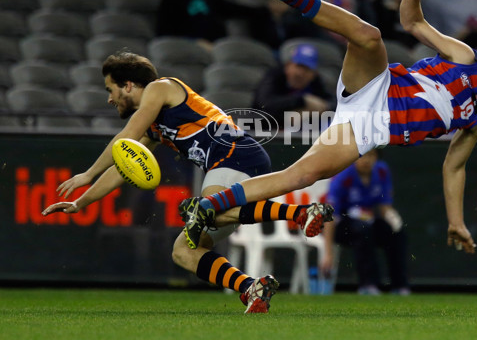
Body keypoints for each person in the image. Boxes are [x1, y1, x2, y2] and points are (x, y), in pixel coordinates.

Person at [180, 0, 477, 258]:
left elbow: (454, 167)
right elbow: (412, 23)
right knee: (368, 36)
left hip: (371, 131)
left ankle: (206, 206)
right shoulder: (465, 58)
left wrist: (456, 221)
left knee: (302, 176)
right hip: (377, 87)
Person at [41, 51, 333, 314]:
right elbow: (122, 168)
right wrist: (81, 202)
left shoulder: (161, 87)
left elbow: (126, 136)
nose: (109, 98)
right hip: (229, 165)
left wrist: (87, 174)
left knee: (209, 210)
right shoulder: (155, 127)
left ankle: (300, 214)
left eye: (111, 89)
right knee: (184, 250)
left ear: (128, 85)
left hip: (234, 154)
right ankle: (250, 287)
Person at [321, 150, 410, 295]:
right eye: (362, 156)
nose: (366, 160)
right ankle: (368, 285)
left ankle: (400, 286)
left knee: (396, 233)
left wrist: (393, 219)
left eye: (371, 156)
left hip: (368, 222)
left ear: (376, 157)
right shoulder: (343, 176)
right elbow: (330, 216)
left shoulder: (382, 171)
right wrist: (328, 253)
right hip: (343, 226)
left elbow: (384, 206)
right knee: (363, 231)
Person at [253, 43, 334, 126]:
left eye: (307, 69)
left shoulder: (315, 82)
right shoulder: (274, 76)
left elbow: (333, 102)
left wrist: (324, 106)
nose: (300, 73)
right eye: (298, 66)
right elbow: (264, 104)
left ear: (314, 74)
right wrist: (303, 100)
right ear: (288, 66)